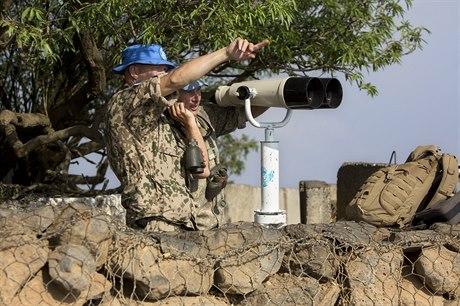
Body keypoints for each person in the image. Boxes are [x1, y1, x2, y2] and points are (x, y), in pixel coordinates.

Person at [105, 38, 269, 232]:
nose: (164, 74)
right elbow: (176, 79)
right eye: (158, 68)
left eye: (166, 69)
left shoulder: (171, 116)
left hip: (188, 223)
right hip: (155, 223)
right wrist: (226, 54)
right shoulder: (125, 103)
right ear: (134, 72)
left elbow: (241, 114)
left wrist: (281, 91)